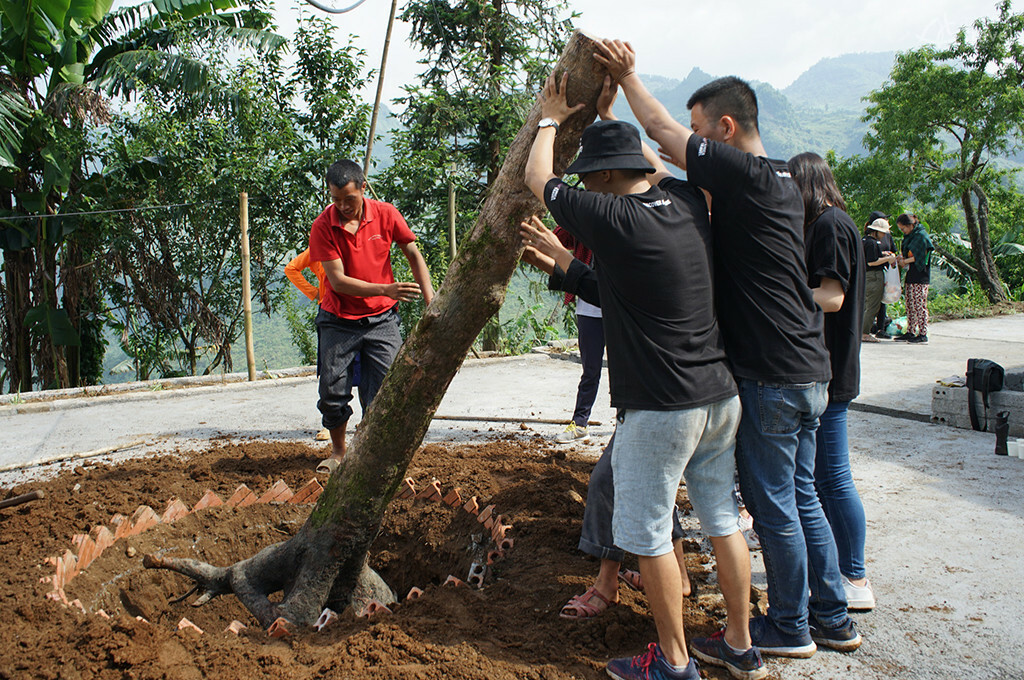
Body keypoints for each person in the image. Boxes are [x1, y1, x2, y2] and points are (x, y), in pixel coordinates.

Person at [594, 40, 860, 665]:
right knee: (802, 497)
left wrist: (628, 80)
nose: (685, 139)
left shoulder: (746, 173)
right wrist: (611, 128)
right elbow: (658, 180)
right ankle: (832, 614)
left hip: (768, 375)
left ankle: (788, 626)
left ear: (726, 128)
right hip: (807, 369)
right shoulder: (783, 184)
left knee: (772, 509)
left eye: (698, 132)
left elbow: (658, 132)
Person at [525, 73, 762, 680]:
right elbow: (652, 168)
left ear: (602, 180)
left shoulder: (610, 216)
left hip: (661, 407)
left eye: (591, 176)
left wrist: (550, 117)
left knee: (650, 532)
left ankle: (674, 662)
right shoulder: (684, 202)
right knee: (720, 519)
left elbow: (538, 180)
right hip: (718, 395)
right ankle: (739, 643)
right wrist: (612, 124)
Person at [519, 214, 693, 619]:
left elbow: (600, 288)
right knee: (655, 485)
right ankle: (678, 577)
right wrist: (544, 256)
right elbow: (593, 285)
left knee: (605, 484)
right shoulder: (668, 261)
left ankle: (605, 586)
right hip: (675, 397)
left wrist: (553, 255)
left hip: (657, 401)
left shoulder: (644, 274)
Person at [308, 160, 434, 474]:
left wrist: (431, 302)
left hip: (382, 321)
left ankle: (373, 455)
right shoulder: (323, 225)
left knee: (386, 392)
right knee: (332, 391)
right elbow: (337, 281)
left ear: (363, 188)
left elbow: (414, 254)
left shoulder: (386, 214)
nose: (342, 206)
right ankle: (339, 453)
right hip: (338, 319)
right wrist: (386, 289)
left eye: (348, 199)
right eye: (335, 199)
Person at [789, 152, 875, 611]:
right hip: (826, 366)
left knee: (834, 477)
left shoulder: (831, 225)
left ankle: (855, 575)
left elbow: (832, 296)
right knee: (823, 477)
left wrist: (780, 294)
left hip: (833, 368)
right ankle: (842, 568)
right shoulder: (827, 224)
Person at [284, 249, 361, 442]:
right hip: (329, 312)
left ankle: (368, 419)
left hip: (358, 310)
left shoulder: (354, 245)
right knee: (332, 370)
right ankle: (330, 425)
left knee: (365, 368)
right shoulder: (317, 248)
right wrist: (314, 292)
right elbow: (291, 268)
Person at [551, 225, 604, 444]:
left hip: (623, 304)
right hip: (589, 308)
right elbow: (558, 239)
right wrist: (572, 214)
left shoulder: (627, 216)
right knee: (590, 371)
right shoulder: (582, 220)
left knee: (627, 371)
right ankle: (580, 423)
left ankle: (627, 426)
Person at [894, 213, 933, 344]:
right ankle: (910, 331)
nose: (902, 231)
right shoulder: (910, 237)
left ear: (910, 225)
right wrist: (901, 258)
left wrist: (905, 261)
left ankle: (923, 333)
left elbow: (921, 255)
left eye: (903, 228)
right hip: (911, 273)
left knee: (919, 304)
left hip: (921, 275)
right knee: (910, 304)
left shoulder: (921, 236)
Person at [860, 218, 897, 344]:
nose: (884, 235)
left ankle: (862, 331)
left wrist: (883, 254)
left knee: (866, 304)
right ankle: (864, 333)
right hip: (874, 276)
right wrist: (888, 259)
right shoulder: (872, 243)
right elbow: (871, 261)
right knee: (873, 306)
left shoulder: (865, 241)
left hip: (866, 276)